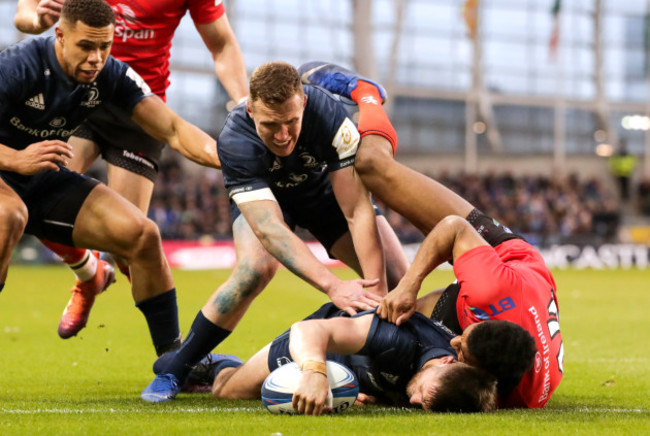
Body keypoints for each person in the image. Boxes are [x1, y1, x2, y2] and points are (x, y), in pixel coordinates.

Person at [140, 61, 410, 402]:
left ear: (304, 105)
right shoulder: (235, 138)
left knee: (397, 277)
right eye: (270, 125)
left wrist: (375, 297)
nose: (282, 136)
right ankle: (176, 367)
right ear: (251, 109)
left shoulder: (330, 115)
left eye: (291, 122)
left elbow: (356, 210)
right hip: (268, 198)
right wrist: (334, 285)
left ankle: (392, 368)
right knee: (255, 269)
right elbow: (269, 228)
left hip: (322, 194)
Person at [299, 62, 564, 408]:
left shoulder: (518, 397)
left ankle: (339, 363)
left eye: (463, 353)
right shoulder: (489, 290)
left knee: (390, 320)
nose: (454, 346)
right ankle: (367, 95)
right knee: (372, 167)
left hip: (502, 306)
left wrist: (388, 394)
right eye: (462, 344)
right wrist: (411, 284)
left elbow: (453, 384)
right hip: (501, 256)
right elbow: (453, 228)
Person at [13, 0, 248, 339]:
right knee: (38, 195)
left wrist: (243, 105)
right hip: (77, 95)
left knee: (130, 241)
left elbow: (222, 43)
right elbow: (25, 13)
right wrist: (36, 21)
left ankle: (174, 354)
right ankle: (88, 274)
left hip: (139, 106)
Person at [208, 303, 501, 414]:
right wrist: (314, 372)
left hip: (353, 370)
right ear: (448, 362)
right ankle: (213, 365)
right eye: (423, 393)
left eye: (422, 404)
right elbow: (309, 330)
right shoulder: (399, 340)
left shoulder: (448, 388)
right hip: (320, 341)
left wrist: (381, 396)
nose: (414, 402)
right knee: (227, 392)